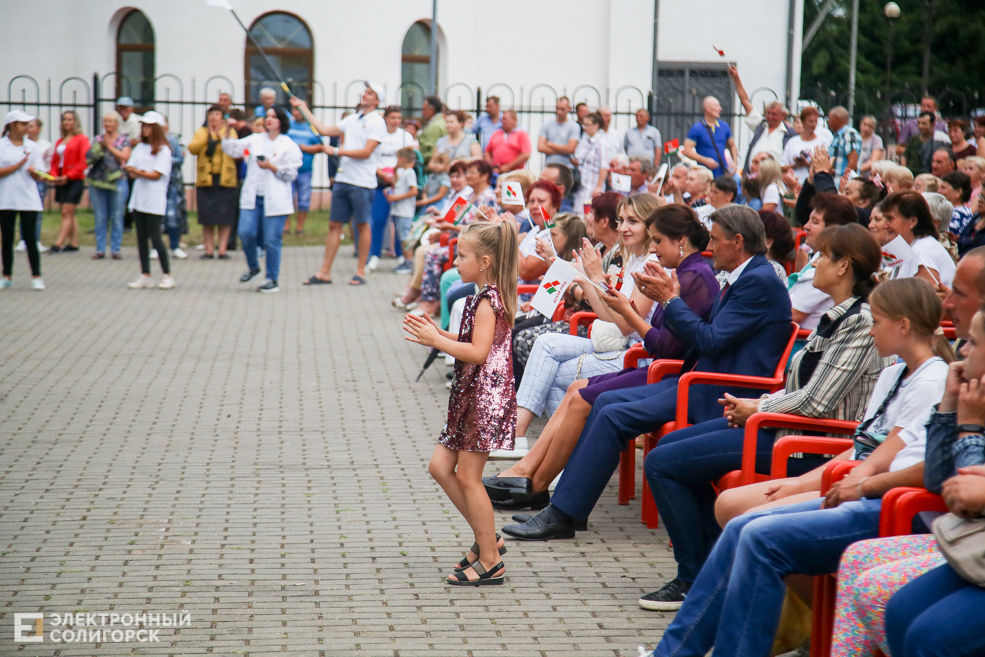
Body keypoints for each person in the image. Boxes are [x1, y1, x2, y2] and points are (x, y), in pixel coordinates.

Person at [502, 205, 793, 540]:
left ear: (738, 241)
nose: (710, 246)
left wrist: (670, 301)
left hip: (720, 391)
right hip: (698, 380)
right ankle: (563, 508)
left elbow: (709, 340)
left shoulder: (757, 281)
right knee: (603, 403)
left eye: (716, 239)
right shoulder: (745, 276)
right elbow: (700, 339)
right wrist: (668, 302)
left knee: (611, 413)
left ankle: (563, 512)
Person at [641, 225, 895, 609]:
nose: (813, 264)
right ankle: (714, 567)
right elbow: (801, 388)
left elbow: (817, 401)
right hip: (785, 426)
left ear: (844, 265)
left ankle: (693, 577)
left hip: (811, 442)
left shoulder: (860, 320)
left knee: (663, 463)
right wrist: (756, 404)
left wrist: (757, 408)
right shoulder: (838, 315)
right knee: (671, 444)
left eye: (821, 257)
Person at [486, 204, 718, 508]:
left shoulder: (689, 275)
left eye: (657, 239)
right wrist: (589, 280)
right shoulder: (675, 271)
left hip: (656, 367)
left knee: (574, 389)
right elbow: (640, 328)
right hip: (649, 361)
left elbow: (654, 340)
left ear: (681, 241)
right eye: (622, 220)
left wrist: (607, 290)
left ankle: (539, 481)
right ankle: (529, 470)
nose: (652, 247)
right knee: (569, 382)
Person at [404, 220, 519, 586]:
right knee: (440, 467)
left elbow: (479, 352)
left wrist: (436, 342)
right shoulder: (481, 296)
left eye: (461, 256)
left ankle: (490, 559)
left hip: (483, 399)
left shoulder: (488, 301)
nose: (454, 262)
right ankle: (489, 539)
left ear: (484, 262)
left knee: (469, 477)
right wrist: (439, 332)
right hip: (469, 397)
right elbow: (471, 339)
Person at [511, 194, 658, 438]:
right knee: (544, 343)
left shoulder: (651, 263)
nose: (623, 227)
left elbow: (626, 325)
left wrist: (595, 276)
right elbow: (606, 315)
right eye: (621, 220)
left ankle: (553, 445)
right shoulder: (635, 258)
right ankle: (532, 435)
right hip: (618, 344)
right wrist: (584, 278)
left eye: (633, 221)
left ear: (650, 224)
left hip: (638, 356)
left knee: (551, 373)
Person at [292, 82, 387, 286]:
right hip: (344, 180)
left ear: (377, 100)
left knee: (362, 224)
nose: (365, 94)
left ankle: (360, 272)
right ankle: (324, 272)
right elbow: (324, 129)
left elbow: (366, 152)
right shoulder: (352, 119)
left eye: (370, 93)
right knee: (334, 224)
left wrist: (336, 151)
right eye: (365, 91)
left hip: (362, 182)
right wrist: (304, 108)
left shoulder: (378, 122)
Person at [221, 106, 302, 293]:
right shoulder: (256, 139)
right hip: (253, 196)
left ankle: (272, 279)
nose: (269, 120)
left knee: (271, 240)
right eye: (267, 116)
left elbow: (291, 174)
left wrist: (271, 167)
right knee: (245, 232)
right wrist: (228, 129)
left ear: (281, 121)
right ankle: (253, 267)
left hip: (275, 199)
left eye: (274, 117)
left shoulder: (288, 145)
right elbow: (231, 149)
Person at [788, 192, 859, 329]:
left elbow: (791, 314)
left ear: (834, 229)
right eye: (809, 220)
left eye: (814, 222)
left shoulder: (830, 267)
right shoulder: (819, 256)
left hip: (801, 339)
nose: (806, 226)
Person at [124, 112, 174, 290]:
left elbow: (157, 174)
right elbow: (131, 168)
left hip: (154, 199)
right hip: (139, 198)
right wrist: (136, 171)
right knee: (141, 238)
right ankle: (145, 274)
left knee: (155, 237)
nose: (145, 129)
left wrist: (139, 172)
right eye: (143, 125)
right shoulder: (140, 147)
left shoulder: (163, 150)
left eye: (149, 126)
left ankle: (167, 274)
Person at [0, 110, 46, 290]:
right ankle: (7, 275)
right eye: (23, 124)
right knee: (7, 238)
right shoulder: (2, 145)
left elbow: (39, 174)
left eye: (28, 124)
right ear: (12, 125)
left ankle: (36, 276)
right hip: (6, 198)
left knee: (30, 238)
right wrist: (18, 165)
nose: (27, 127)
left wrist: (35, 172)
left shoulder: (32, 147)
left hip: (28, 198)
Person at [188, 105, 239, 259]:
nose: (214, 117)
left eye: (217, 114)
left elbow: (235, 147)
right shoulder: (201, 132)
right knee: (207, 217)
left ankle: (222, 250)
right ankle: (209, 250)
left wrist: (219, 135)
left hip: (225, 179)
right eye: (211, 114)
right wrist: (208, 136)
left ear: (222, 117)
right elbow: (192, 149)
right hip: (206, 180)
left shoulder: (229, 132)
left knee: (225, 217)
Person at [367, 105, 413, 273]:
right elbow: (370, 157)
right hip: (381, 182)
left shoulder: (405, 136)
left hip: (400, 184)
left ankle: (402, 256)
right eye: (392, 117)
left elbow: (411, 158)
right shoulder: (377, 134)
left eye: (399, 118)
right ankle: (374, 256)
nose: (396, 121)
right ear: (385, 118)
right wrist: (381, 173)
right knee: (378, 220)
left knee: (399, 221)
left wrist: (398, 175)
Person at [880, 190, 956, 288]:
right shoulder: (912, 246)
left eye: (890, 219)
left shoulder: (923, 252)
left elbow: (928, 296)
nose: (884, 225)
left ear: (913, 221)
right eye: (885, 218)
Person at [728, 65, 794, 169]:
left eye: (774, 114)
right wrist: (736, 78)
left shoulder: (789, 134)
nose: (770, 117)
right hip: (753, 175)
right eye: (768, 113)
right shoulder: (761, 126)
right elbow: (745, 102)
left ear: (782, 115)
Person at [86, 110, 131, 260]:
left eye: (111, 121)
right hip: (98, 181)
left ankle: (116, 249)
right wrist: (97, 150)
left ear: (117, 124)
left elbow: (125, 156)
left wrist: (109, 147)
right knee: (100, 216)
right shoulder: (97, 139)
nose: (108, 124)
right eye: (105, 121)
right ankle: (100, 249)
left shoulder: (124, 140)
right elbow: (90, 157)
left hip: (118, 180)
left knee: (117, 216)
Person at [48, 110, 89, 253]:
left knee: (66, 212)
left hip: (74, 178)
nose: (67, 122)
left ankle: (58, 243)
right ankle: (74, 243)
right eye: (65, 119)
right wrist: (54, 175)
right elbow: (55, 161)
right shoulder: (60, 141)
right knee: (69, 212)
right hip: (61, 177)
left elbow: (84, 161)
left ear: (75, 122)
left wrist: (69, 176)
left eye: (70, 119)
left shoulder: (81, 139)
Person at [284, 106, 323, 235]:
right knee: (287, 198)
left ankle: (299, 228)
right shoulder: (288, 125)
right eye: (295, 109)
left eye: (300, 109)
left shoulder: (312, 127)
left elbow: (321, 146)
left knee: (304, 200)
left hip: (305, 170)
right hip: (288, 168)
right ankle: (286, 228)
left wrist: (305, 148)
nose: (298, 112)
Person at [383, 147, 418, 273]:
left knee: (405, 238)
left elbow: (414, 191)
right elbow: (398, 185)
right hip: (399, 211)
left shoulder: (409, 172)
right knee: (402, 237)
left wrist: (396, 197)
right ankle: (406, 261)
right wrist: (394, 171)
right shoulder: (404, 173)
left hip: (404, 212)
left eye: (397, 159)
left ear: (403, 159)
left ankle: (409, 263)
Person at [682, 96, 738, 174]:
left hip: (723, 174)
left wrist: (735, 163)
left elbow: (732, 145)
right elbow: (686, 151)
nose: (720, 109)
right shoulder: (697, 128)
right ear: (707, 109)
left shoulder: (724, 126)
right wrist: (705, 160)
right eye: (717, 106)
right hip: (705, 174)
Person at [18, 118, 50, 254]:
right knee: (22, 210)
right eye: (27, 126)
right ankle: (23, 240)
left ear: (38, 129)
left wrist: (40, 174)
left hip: (39, 181)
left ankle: (35, 240)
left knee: (36, 211)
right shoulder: (21, 144)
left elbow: (47, 166)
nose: (28, 129)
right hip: (23, 181)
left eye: (31, 126)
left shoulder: (45, 145)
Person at [782, 106, 833, 185]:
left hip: (815, 184)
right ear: (803, 122)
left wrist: (808, 164)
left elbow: (829, 168)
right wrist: (796, 165)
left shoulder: (823, 142)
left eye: (815, 121)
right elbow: (782, 167)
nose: (813, 124)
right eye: (810, 121)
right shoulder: (792, 142)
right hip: (795, 183)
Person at [571, 111, 610, 212]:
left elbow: (604, 166)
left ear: (596, 125)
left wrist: (599, 187)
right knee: (578, 209)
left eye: (588, 125)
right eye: (584, 125)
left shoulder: (602, 142)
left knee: (588, 210)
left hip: (593, 183)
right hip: (581, 182)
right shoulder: (585, 139)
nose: (585, 127)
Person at [161, 117, 188, 261]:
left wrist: (164, 159)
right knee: (156, 216)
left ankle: (175, 246)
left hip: (172, 181)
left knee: (173, 214)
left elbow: (180, 158)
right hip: (155, 182)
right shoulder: (150, 140)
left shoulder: (174, 139)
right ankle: (156, 247)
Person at [538, 97, 580, 170]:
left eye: (562, 109)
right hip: (549, 166)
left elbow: (571, 149)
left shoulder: (574, 126)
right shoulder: (547, 124)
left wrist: (551, 145)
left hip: (566, 167)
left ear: (569, 109)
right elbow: (540, 147)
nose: (559, 112)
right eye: (557, 108)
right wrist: (563, 149)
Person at [483, 110, 531, 175]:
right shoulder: (496, 133)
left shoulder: (522, 134)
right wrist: (492, 167)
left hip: (515, 173)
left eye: (505, 119)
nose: (503, 122)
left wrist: (508, 166)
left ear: (514, 120)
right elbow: (487, 152)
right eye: (502, 119)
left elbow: (526, 154)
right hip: (497, 172)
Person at [826, 106, 861, 186]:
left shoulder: (849, 134)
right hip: (835, 182)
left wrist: (845, 184)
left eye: (830, 120)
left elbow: (852, 162)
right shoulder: (838, 136)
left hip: (843, 185)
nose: (828, 123)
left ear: (837, 119)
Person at [418, 95, 447, 164]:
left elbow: (430, 151)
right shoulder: (443, 121)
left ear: (432, 109)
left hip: (432, 165)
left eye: (424, 109)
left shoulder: (434, 126)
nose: (422, 112)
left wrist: (419, 160)